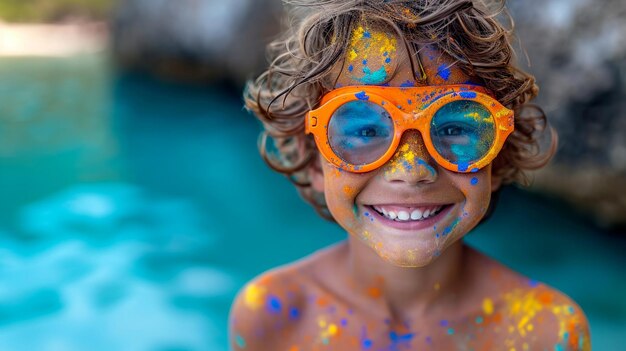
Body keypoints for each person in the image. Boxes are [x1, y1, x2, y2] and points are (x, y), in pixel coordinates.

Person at [230, 0, 591, 350]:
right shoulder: (272, 316)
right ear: (313, 161)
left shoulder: (547, 331)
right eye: (367, 132)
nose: (413, 171)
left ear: (497, 156)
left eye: (452, 129)